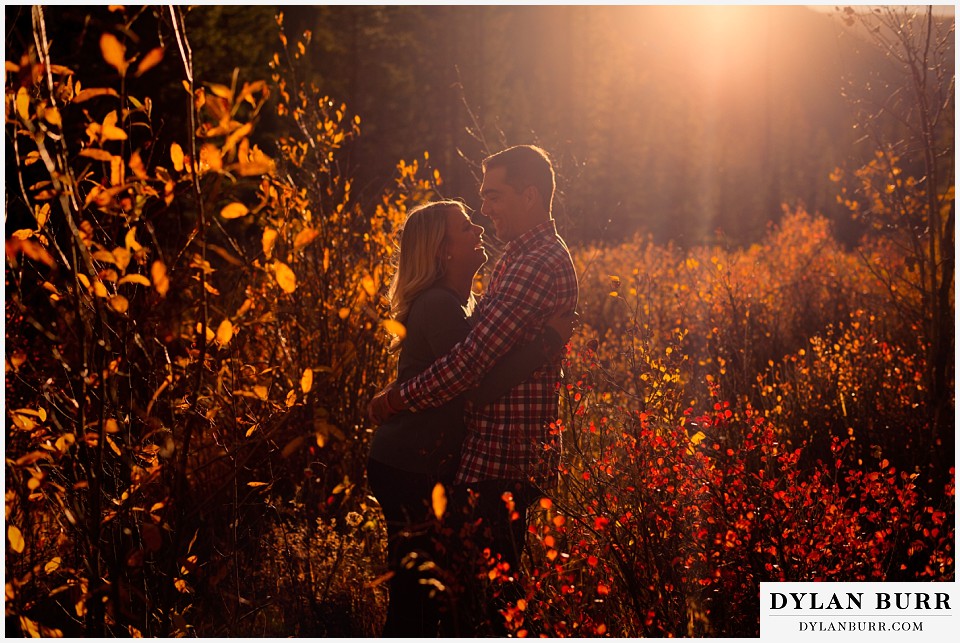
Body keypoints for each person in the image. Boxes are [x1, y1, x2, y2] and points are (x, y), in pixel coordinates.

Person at [369, 145, 579, 635]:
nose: (485, 209)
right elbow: (476, 362)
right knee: (458, 596)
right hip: (475, 458)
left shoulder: (534, 263)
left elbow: (470, 364)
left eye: (495, 196)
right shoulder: (515, 261)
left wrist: (398, 397)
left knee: (489, 601)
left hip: (502, 459)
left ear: (530, 196)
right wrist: (546, 343)